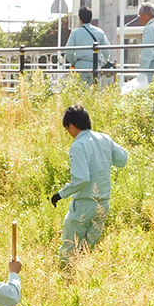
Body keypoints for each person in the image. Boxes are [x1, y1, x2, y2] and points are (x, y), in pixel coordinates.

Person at [50, 104, 128, 263]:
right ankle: (84, 280)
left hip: (84, 205)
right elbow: (122, 159)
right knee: (88, 250)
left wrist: (61, 194)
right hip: (103, 204)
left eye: (67, 129)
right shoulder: (105, 139)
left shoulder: (78, 145)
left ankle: (67, 282)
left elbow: (81, 178)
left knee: (69, 249)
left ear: (72, 126)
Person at [64, 7, 111, 85]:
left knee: (81, 91)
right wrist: (104, 62)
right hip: (95, 65)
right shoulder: (100, 32)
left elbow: (69, 51)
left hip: (80, 65)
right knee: (95, 91)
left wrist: (73, 63)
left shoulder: (75, 33)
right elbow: (107, 50)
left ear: (80, 19)